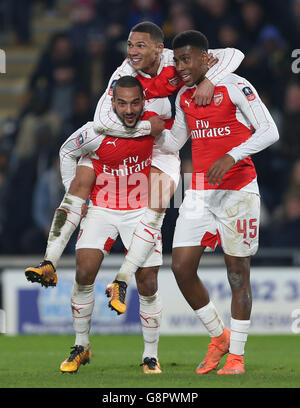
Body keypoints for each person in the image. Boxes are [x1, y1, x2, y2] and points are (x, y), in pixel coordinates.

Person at [25, 22, 245, 312]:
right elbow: (102, 119)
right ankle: (49, 261)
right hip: (127, 142)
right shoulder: (124, 74)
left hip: (160, 149)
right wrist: (144, 126)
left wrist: (209, 80)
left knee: (156, 203)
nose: (132, 51)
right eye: (129, 45)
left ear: (158, 48)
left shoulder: (176, 61)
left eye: (140, 45)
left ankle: (122, 280)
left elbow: (234, 55)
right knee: (80, 182)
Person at [155, 30, 279, 375]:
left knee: (237, 276)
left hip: (238, 190)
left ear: (207, 58)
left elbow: (270, 131)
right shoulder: (184, 97)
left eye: (187, 59)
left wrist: (232, 155)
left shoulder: (236, 85)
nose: (181, 66)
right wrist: (151, 129)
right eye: (177, 60)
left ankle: (237, 358)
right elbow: (176, 140)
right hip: (199, 192)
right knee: (180, 267)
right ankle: (218, 336)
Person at [56, 76, 165, 374]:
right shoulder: (95, 130)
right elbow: (66, 151)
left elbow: (173, 147)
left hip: (141, 209)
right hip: (102, 207)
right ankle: (81, 346)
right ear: (112, 102)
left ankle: (150, 355)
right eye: (122, 103)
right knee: (83, 271)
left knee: (147, 280)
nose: (129, 110)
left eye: (134, 103)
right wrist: (73, 190)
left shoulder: (157, 126)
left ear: (143, 102)